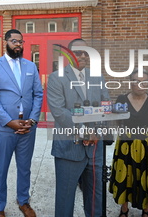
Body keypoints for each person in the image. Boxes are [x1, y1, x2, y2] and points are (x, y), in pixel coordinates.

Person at [47, 38, 110, 217]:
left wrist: (97, 131)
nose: (82, 56)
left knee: (95, 199)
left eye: (86, 52)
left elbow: (106, 105)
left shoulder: (97, 76)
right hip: (69, 149)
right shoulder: (55, 77)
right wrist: (84, 131)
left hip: (95, 149)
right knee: (65, 199)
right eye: (78, 52)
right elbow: (59, 112)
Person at [0, 29, 43, 217]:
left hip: (27, 127)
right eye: (14, 41)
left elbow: (38, 94)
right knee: (1, 167)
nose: (18, 44)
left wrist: (32, 120)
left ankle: (23, 201)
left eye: (21, 41)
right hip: (3, 128)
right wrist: (10, 122)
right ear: (6, 42)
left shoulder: (30, 66)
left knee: (24, 167)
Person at [109, 69, 148, 217]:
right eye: (136, 81)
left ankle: (146, 210)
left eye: (144, 81)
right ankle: (124, 209)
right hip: (127, 145)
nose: (140, 85)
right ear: (130, 83)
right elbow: (119, 121)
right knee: (126, 176)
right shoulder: (121, 100)